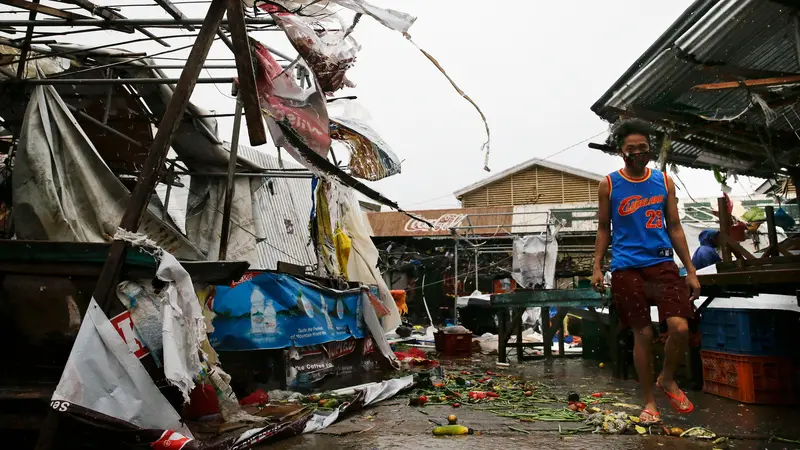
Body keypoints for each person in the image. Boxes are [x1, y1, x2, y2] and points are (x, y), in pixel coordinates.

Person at [591, 119, 701, 425]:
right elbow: (603, 228)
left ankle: (667, 380)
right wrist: (597, 266)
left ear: (650, 149)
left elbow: (675, 227)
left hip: (663, 263)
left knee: (679, 327)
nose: (638, 153)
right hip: (627, 267)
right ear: (620, 151)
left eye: (643, 147)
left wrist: (690, 270)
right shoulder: (609, 185)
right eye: (631, 148)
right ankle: (650, 402)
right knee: (644, 334)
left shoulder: (664, 182)